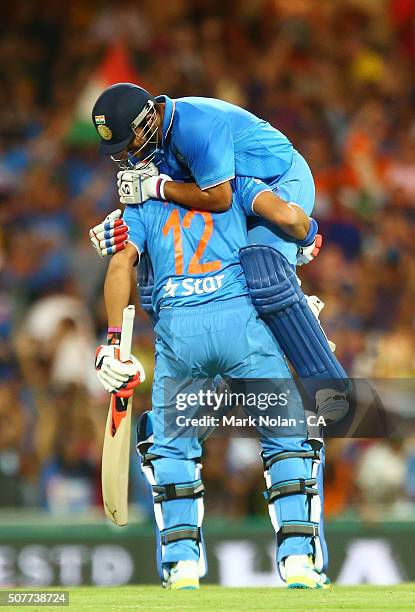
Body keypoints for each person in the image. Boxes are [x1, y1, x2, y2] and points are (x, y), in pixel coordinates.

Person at [94, 177, 330, 590]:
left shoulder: (142, 204)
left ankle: (181, 567)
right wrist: (307, 236)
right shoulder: (235, 185)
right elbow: (288, 219)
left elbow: (118, 265)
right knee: (290, 438)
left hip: (180, 332)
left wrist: (114, 343)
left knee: (170, 447)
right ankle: (298, 560)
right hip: (241, 326)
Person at [90, 83, 348, 410]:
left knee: (262, 269)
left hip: (278, 183)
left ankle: (327, 385)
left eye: (130, 143)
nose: (128, 156)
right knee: (155, 274)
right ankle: (191, 405)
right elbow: (159, 216)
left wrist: (305, 233)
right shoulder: (158, 144)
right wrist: (118, 232)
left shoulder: (194, 127)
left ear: (147, 121)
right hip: (232, 194)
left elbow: (219, 198)